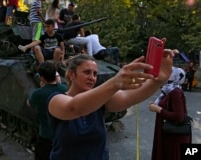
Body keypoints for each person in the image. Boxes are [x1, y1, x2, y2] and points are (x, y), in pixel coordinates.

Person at [47, 48, 177, 160]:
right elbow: (75, 108)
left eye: (95, 73)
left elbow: (129, 97)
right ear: (71, 75)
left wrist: (159, 80)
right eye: (86, 72)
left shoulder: (101, 99)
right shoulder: (56, 99)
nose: (92, 77)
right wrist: (115, 82)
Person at [27, 62, 67, 160]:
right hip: (63, 134)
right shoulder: (65, 88)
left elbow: (29, 103)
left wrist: (42, 88)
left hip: (46, 135)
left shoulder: (38, 93)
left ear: (42, 78)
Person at [148, 67, 191, 160]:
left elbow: (179, 117)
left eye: (168, 74)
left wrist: (158, 109)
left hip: (173, 138)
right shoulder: (169, 90)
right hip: (169, 135)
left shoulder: (175, 93)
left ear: (174, 77)